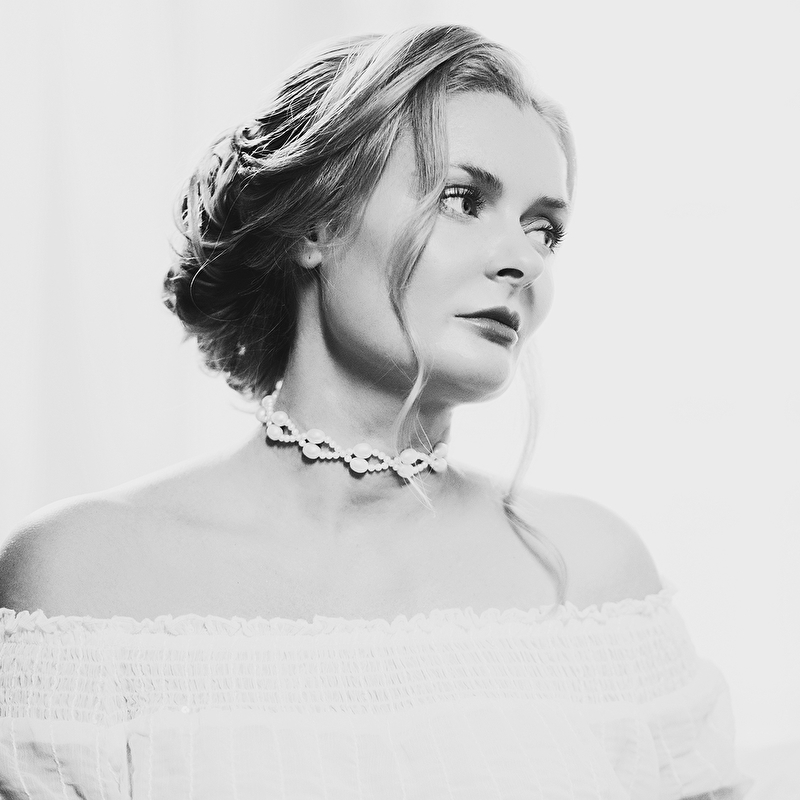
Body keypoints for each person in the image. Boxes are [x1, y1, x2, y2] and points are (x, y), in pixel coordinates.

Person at [0, 24, 749, 800]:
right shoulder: (81, 577)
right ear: (314, 223)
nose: (523, 260)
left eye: (544, 230)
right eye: (463, 200)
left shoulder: (596, 581)